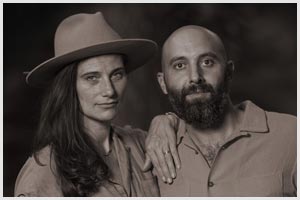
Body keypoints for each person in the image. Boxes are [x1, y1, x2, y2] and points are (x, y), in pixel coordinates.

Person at [14, 12, 176, 197]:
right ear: (68, 87)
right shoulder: (45, 169)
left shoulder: (141, 144)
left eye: (116, 74)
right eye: (92, 78)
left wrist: (167, 120)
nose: (109, 90)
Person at [145, 25, 296, 196]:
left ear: (229, 71)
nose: (195, 77)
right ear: (162, 83)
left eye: (207, 62)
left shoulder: (291, 135)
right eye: (180, 65)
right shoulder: (153, 154)